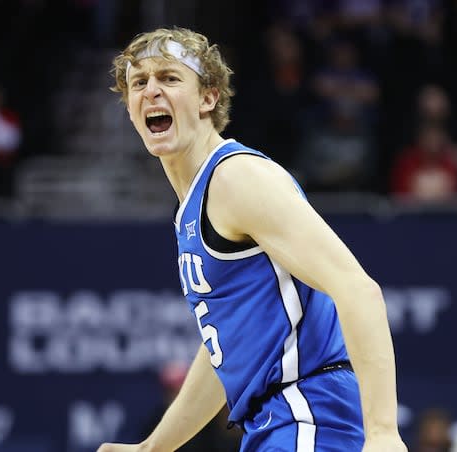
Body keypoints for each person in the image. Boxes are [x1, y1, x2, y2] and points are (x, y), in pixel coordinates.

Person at [99, 27, 406, 452]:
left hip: (310, 409)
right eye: (139, 82)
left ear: (208, 98)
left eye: (169, 78)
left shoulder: (235, 179)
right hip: (275, 420)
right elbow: (225, 351)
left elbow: (358, 290)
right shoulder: (195, 203)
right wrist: (154, 448)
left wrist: (384, 433)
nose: (151, 91)